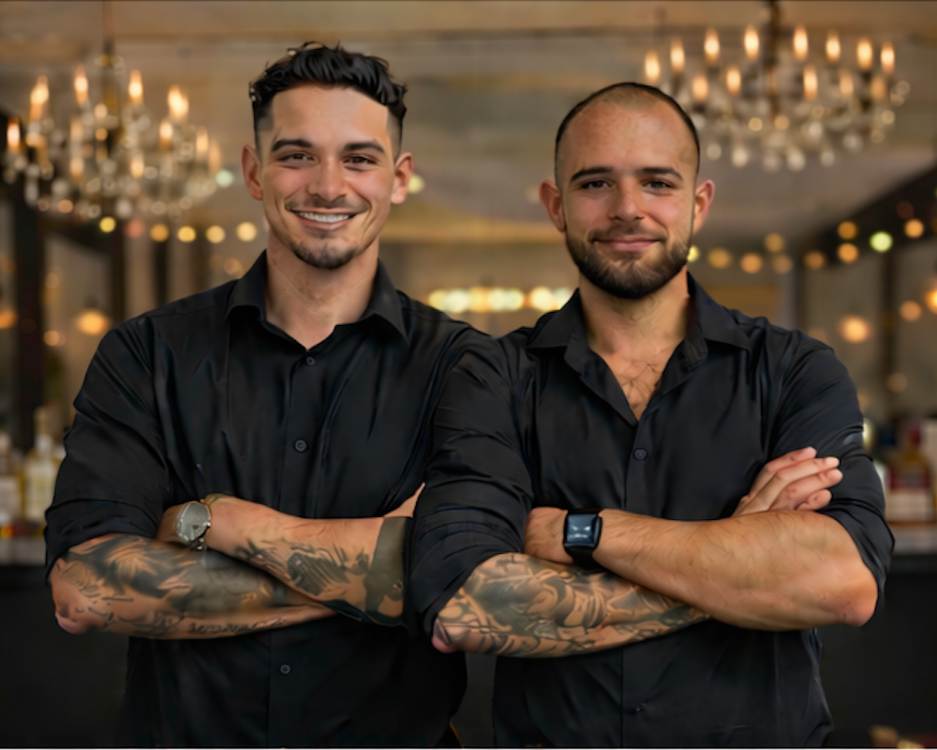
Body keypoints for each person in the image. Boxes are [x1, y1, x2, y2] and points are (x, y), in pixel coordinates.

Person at [410, 82, 893, 747]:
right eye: (595, 183)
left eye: (657, 183)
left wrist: (581, 533)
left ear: (699, 203)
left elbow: (841, 585)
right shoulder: (494, 376)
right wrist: (735, 564)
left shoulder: (793, 371)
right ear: (555, 205)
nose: (627, 208)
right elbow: (464, 605)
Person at [45, 42, 482, 748]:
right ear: (254, 171)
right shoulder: (147, 354)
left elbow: (464, 583)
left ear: (398, 178)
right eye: (297, 155)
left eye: (359, 159)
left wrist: (217, 522)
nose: (328, 186)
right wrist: (372, 579)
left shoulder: (468, 367)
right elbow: (86, 588)